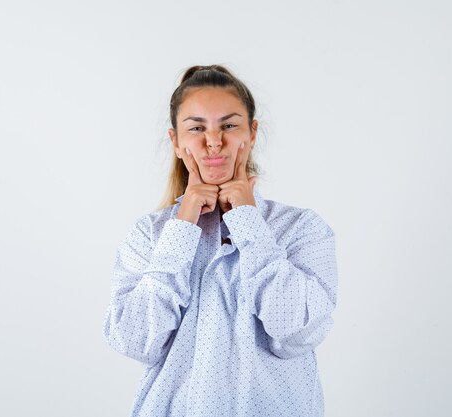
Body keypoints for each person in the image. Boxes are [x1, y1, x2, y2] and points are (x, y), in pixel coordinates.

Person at [102, 64, 338, 417]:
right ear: (176, 142)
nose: (214, 141)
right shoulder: (150, 235)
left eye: (229, 125)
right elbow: (135, 342)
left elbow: (297, 334)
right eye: (197, 128)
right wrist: (183, 227)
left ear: (252, 133)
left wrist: (247, 220)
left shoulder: (301, 228)